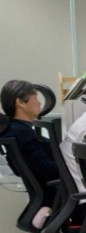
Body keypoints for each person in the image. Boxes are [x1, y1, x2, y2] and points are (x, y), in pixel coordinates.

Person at [1, 79, 59, 224]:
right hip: (52, 195)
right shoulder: (22, 133)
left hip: (44, 196)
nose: (39, 103)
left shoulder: (13, 130)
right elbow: (45, 169)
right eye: (35, 98)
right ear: (20, 102)